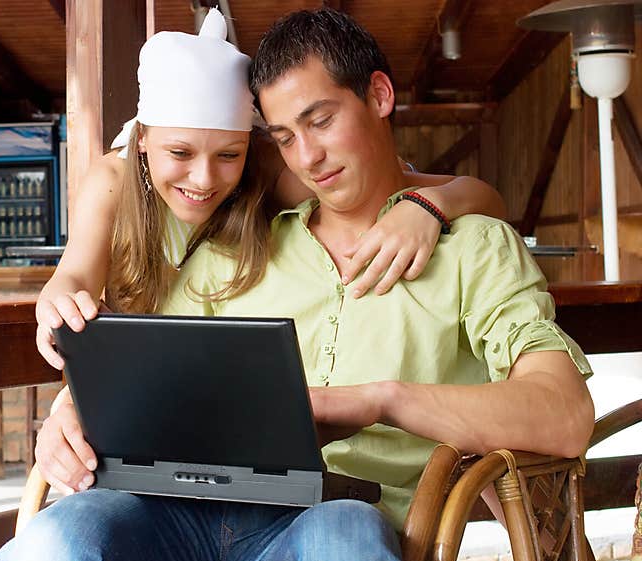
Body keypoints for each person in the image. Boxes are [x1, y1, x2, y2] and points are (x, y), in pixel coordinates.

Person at [0, 8, 584, 561]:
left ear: (379, 96)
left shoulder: (474, 250)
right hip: (178, 510)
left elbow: (564, 415)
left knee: (344, 548)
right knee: (52, 545)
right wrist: (69, 413)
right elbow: (149, 367)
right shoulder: (239, 242)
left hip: (339, 514)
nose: (307, 158)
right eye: (284, 138)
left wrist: (381, 400)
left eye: (320, 121)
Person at [33, 9, 507, 371]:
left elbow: (483, 197)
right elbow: (73, 278)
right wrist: (57, 302)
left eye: (227, 155)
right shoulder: (111, 182)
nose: (203, 179)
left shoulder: (279, 167)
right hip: (144, 381)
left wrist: (426, 205)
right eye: (179, 153)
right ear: (142, 142)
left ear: (251, 146)